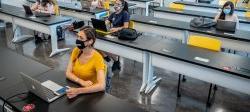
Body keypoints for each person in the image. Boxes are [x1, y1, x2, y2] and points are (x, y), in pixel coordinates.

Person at [66, 26, 106, 99]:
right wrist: (81, 81)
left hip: (90, 93)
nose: (78, 40)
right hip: (77, 86)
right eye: (78, 36)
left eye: (81, 38)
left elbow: (102, 86)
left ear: (90, 41)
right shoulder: (76, 50)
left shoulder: (98, 58)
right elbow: (68, 73)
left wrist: (78, 91)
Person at [100, 0, 130, 71]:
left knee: (104, 45)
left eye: (118, 4)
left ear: (122, 6)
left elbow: (126, 27)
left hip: (120, 34)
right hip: (112, 33)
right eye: (115, 3)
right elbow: (106, 22)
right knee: (97, 42)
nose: (116, 5)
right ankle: (109, 57)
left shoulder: (125, 13)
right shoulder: (113, 14)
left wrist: (117, 29)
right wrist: (100, 24)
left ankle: (115, 60)